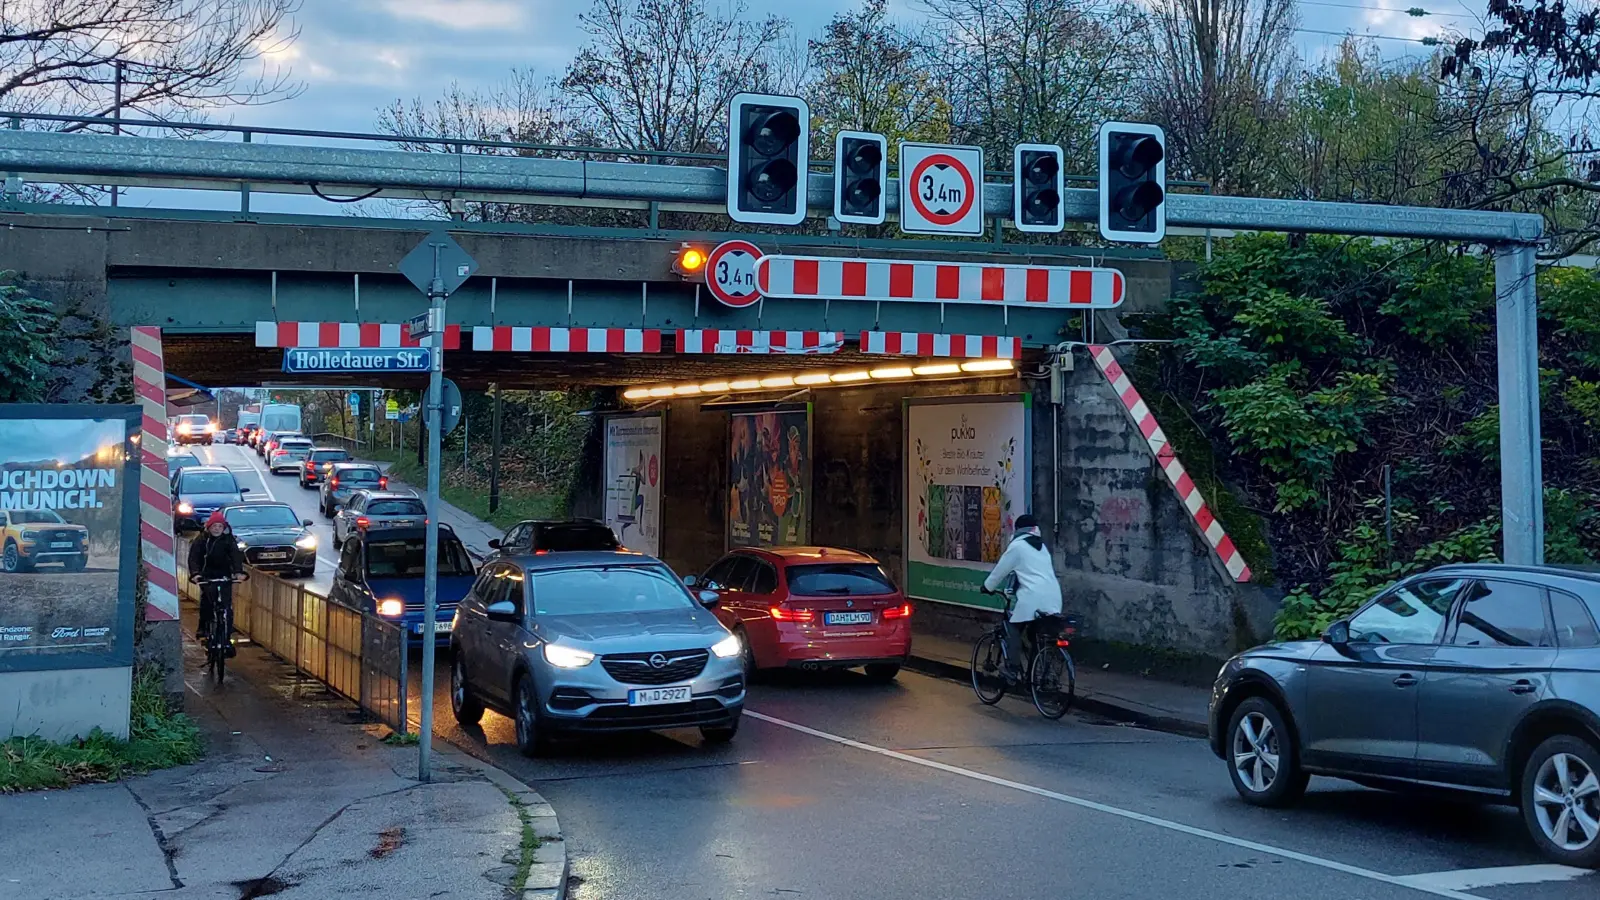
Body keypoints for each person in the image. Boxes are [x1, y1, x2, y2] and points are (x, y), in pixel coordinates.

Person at [982, 514, 1063, 680]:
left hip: (1033, 599)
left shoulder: (1017, 546)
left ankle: (1012, 668)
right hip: (1053, 597)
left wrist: (987, 586)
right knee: (1035, 634)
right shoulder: (1042, 547)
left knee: (1013, 628)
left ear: (1018, 529)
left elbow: (999, 571)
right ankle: (1035, 675)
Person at [188, 509, 244, 656]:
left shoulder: (228, 540)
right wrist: (196, 574)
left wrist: (238, 572)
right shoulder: (202, 540)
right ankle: (204, 629)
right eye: (214, 527)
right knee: (207, 601)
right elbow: (194, 557)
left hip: (224, 575)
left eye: (220, 527)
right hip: (207, 575)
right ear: (209, 527)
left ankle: (226, 636)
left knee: (227, 606)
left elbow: (235, 556)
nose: (217, 529)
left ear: (223, 527)